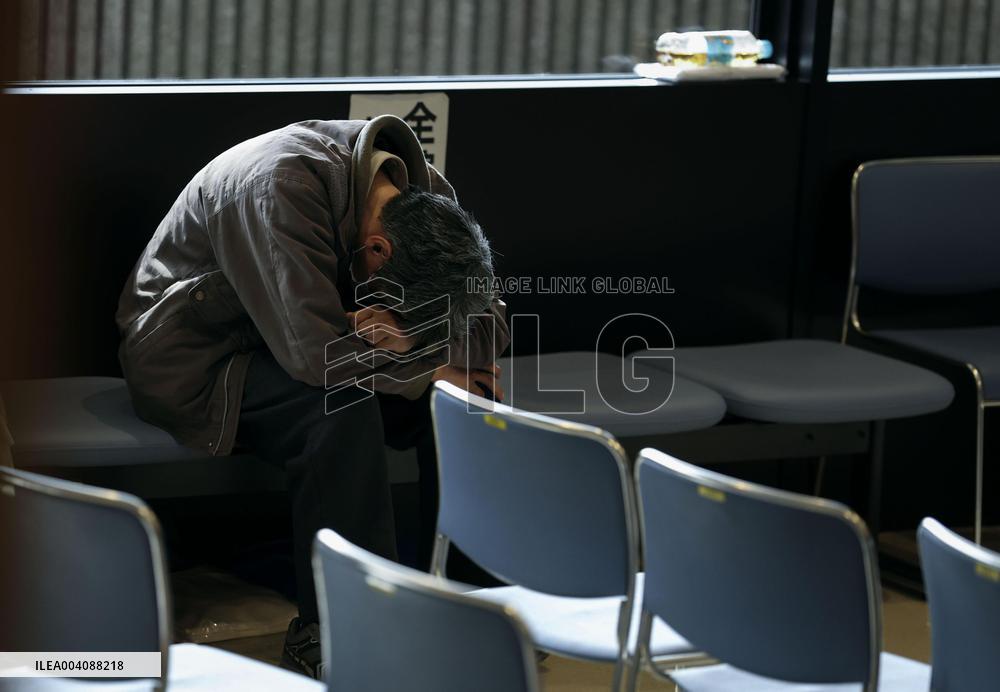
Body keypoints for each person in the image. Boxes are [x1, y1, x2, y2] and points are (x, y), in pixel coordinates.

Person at [116, 115, 509, 678]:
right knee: (341, 407)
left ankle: (479, 605)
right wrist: (430, 369)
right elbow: (315, 354)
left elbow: (488, 326)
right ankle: (340, 627)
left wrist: (424, 346)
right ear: (377, 250)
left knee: (473, 400)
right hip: (202, 356)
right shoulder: (276, 187)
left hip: (316, 339)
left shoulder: (427, 200)